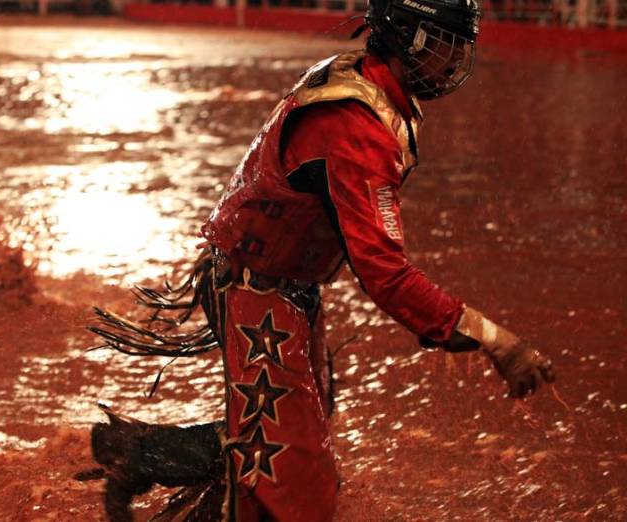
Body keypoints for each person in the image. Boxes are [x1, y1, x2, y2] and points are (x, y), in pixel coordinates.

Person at [87, 0, 556, 519]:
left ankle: (139, 452)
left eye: (458, 47)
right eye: (444, 45)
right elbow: (385, 273)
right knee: (293, 473)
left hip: (277, 283)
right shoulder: (356, 124)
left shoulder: (365, 85)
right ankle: (140, 455)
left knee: (286, 441)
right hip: (258, 287)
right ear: (407, 36)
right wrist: (494, 339)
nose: (453, 62)